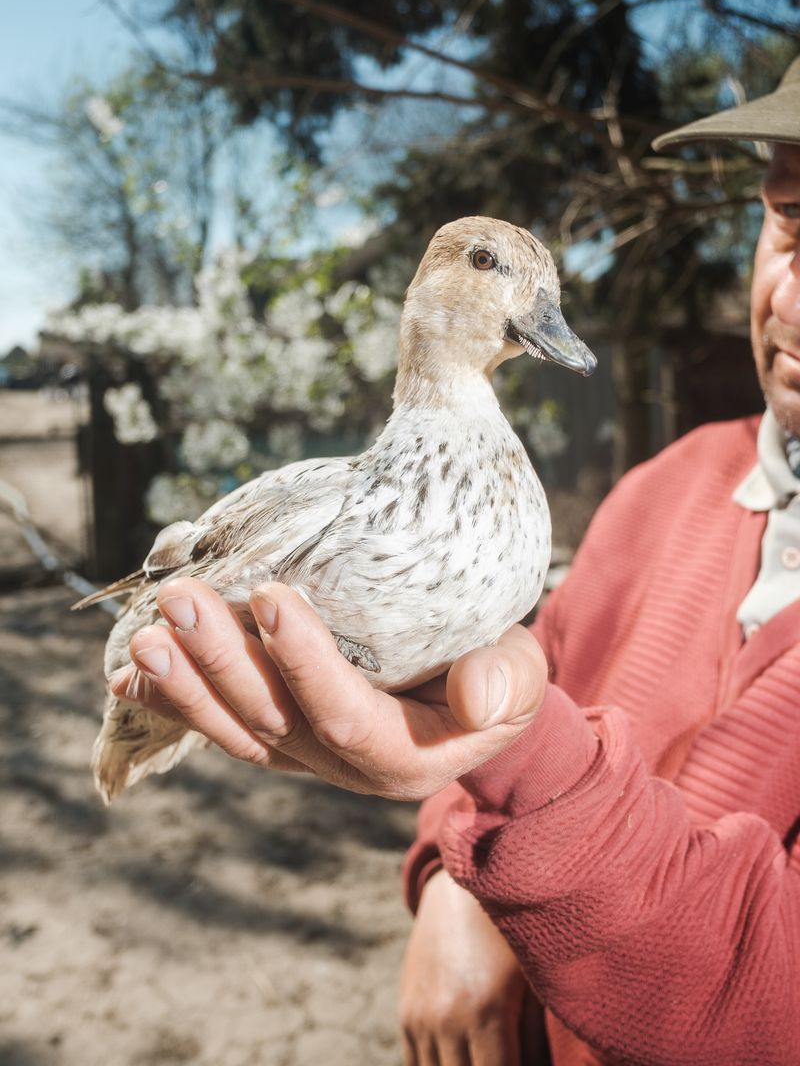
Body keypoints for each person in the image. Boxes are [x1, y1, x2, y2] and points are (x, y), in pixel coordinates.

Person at [113, 56, 800, 1064]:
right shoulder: (667, 486)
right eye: (789, 217)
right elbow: (509, 677)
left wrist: (524, 784)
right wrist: (450, 881)